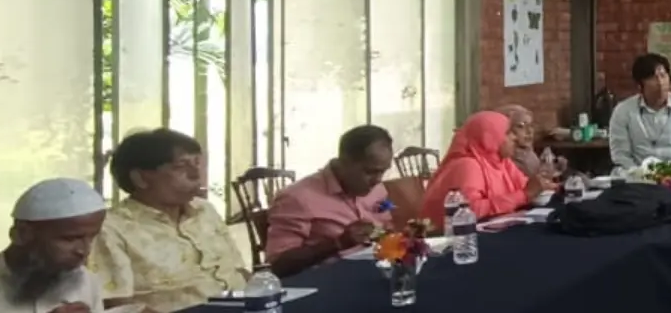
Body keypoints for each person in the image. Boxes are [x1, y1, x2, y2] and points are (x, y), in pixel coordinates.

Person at [89, 129, 248, 312]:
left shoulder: (205, 211)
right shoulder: (111, 228)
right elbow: (118, 305)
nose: (195, 174)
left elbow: (239, 272)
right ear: (140, 178)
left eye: (197, 163)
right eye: (180, 166)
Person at [264, 125, 396, 277]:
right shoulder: (297, 198)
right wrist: (337, 244)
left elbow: (385, 229)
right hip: (327, 282)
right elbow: (277, 267)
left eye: (383, 171)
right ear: (344, 162)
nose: (378, 180)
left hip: (375, 273)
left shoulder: (377, 189)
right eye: (370, 172)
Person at [0, 178, 108, 313]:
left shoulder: (87, 282)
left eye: (91, 238)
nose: (84, 251)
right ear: (21, 234)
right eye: (70, 239)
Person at [422, 112, 546, 227]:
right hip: (453, 238)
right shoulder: (468, 165)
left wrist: (547, 184)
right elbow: (469, 211)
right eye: (508, 133)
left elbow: (527, 186)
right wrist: (523, 195)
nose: (515, 138)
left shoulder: (501, 161)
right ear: (489, 138)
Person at [607, 53, 671, 168]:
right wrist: (639, 174)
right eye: (652, 78)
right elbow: (620, 155)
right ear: (639, 84)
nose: (660, 82)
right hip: (636, 175)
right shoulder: (623, 111)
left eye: (663, 76)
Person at [496, 105, 563, 180]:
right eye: (521, 126)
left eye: (531, 125)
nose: (529, 131)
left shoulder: (527, 152)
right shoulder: (507, 161)